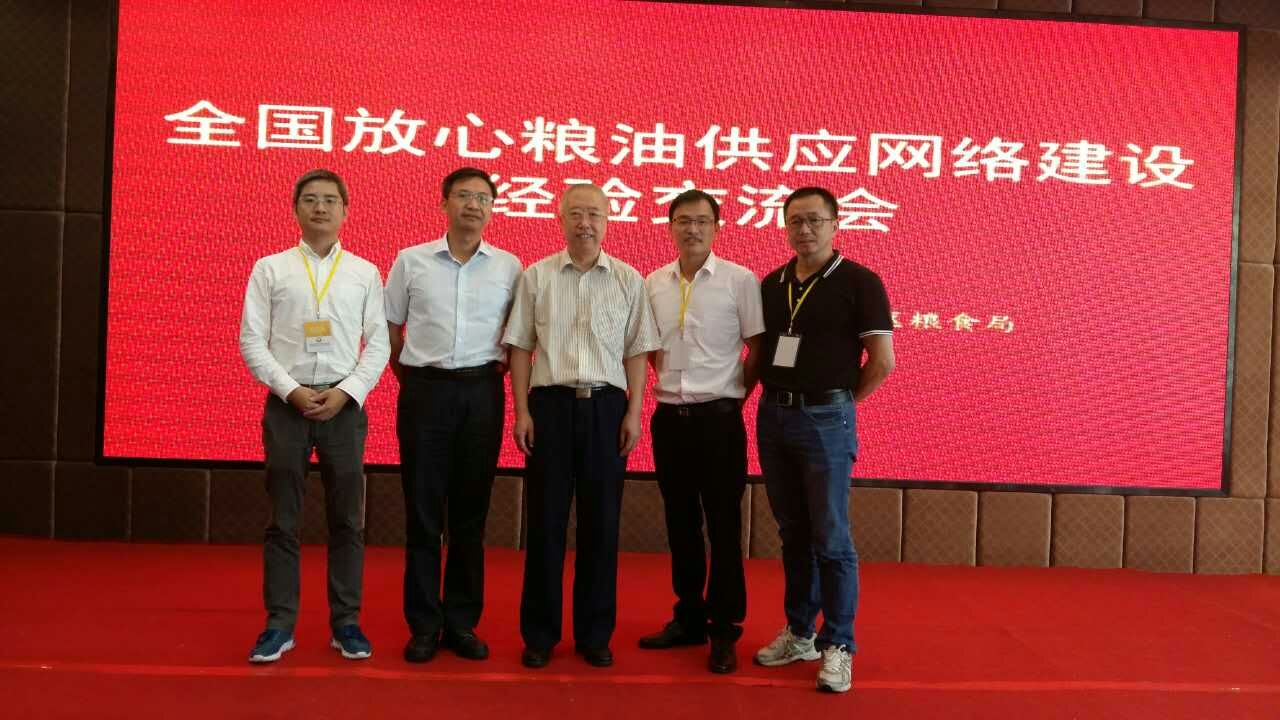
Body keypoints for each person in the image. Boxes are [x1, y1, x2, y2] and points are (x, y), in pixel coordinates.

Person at [503, 183, 660, 670]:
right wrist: (521, 411)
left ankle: (595, 635)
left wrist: (634, 412)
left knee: (601, 525)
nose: (584, 223)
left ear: (608, 220)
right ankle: (540, 635)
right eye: (575, 213)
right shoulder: (537, 276)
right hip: (548, 407)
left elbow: (637, 351)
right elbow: (520, 347)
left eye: (594, 214)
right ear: (561, 219)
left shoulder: (629, 279)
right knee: (545, 524)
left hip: (606, 409)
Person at [239, 168, 389, 663]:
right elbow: (251, 340)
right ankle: (279, 624)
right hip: (288, 405)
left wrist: (347, 392)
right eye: (310, 199)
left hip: (344, 407)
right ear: (295, 209)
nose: (320, 207)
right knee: (283, 521)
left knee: (347, 519)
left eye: (329, 200)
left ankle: (346, 622)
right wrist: (291, 390)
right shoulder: (270, 268)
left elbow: (379, 344)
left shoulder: (365, 272)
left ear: (345, 211)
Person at [752, 186, 895, 693]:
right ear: (785, 227)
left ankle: (839, 645)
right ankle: (800, 633)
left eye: (815, 220)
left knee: (831, 537)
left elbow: (882, 362)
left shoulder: (860, 282)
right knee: (793, 532)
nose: (805, 229)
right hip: (773, 416)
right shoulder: (772, 284)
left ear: (836, 224)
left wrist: (841, 404)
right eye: (795, 221)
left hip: (826, 418)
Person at [384, 167, 522, 663]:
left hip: (482, 392)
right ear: (443, 203)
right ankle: (424, 624)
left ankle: (461, 622)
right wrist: (416, 377)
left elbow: (516, 335)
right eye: (463, 195)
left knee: (470, 514)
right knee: (423, 512)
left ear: (492, 209)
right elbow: (391, 327)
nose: (473, 205)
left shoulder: (509, 267)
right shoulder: (411, 261)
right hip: (425, 392)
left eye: (483, 198)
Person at [638, 190, 763, 674]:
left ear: (717, 227)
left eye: (702, 221)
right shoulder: (654, 283)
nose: (692, 229)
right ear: (670, 226)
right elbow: (650, 347)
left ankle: (724, 628)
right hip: (670, 418)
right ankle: (688, 616)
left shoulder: (739, 280)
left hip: (719, 420)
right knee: (681, 523)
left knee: (724, 525)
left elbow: (757, 348)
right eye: (683, 221)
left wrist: (733, 397)